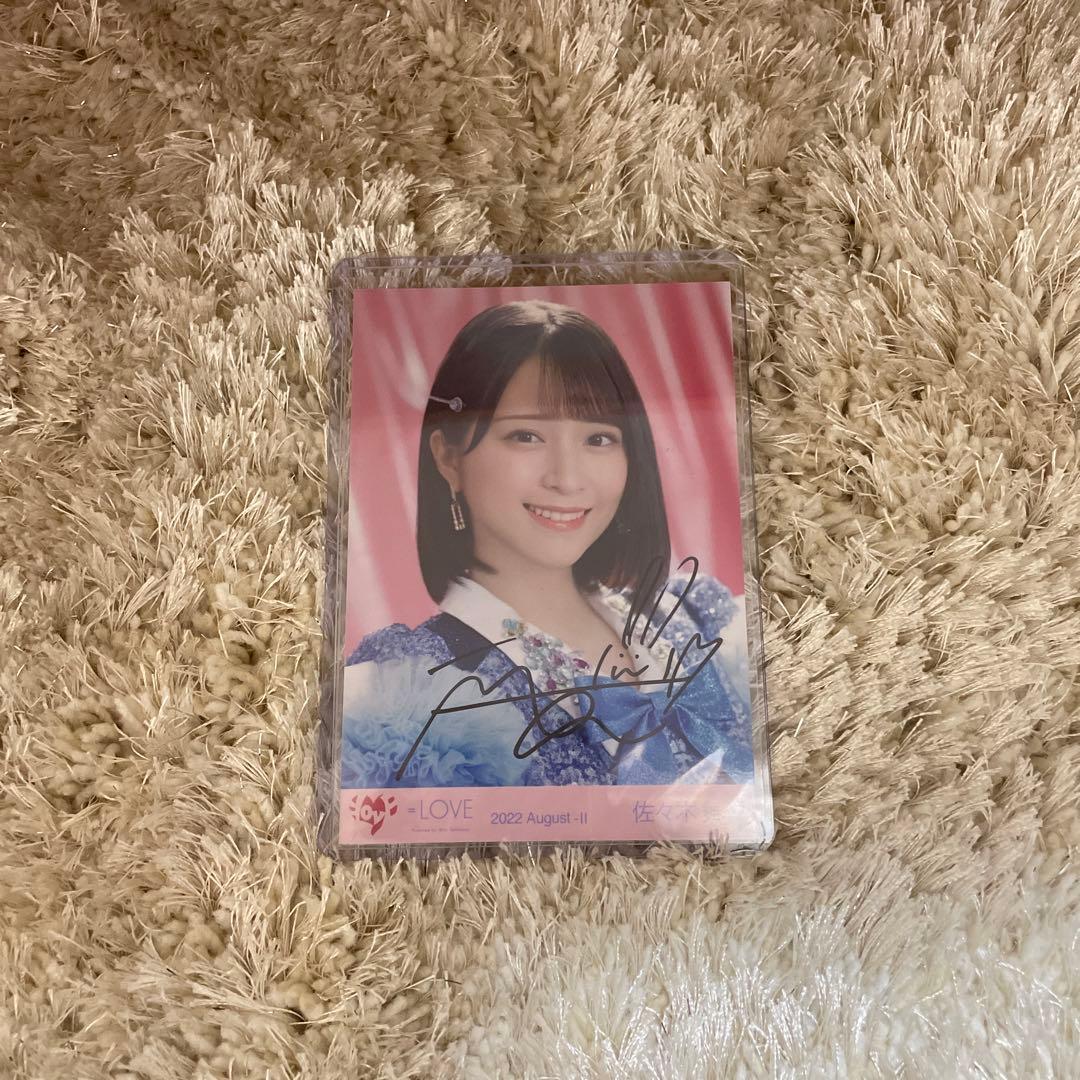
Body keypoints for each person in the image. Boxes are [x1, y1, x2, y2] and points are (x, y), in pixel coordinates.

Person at [340, 300, 753, 790]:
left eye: (598, 439)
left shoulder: (693, 622)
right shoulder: (419, 698)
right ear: (448, 457)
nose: (567, 478)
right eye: (527, 435)